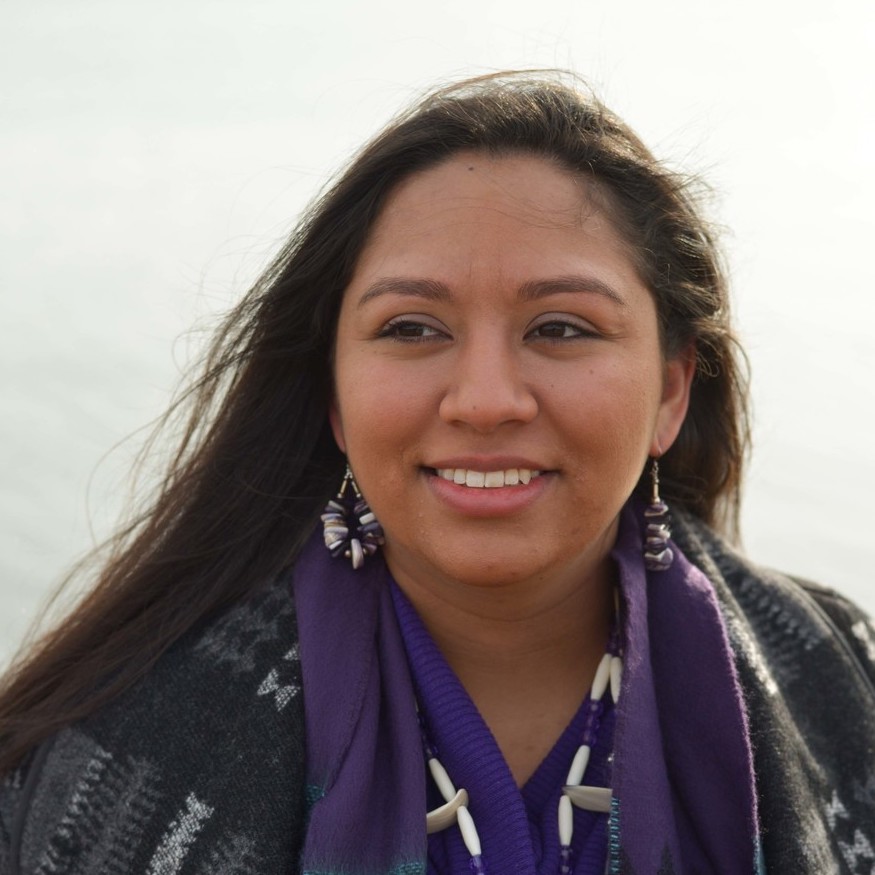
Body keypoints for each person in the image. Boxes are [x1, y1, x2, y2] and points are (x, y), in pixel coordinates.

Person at [1, 72, 873, 875]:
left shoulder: (844, 685)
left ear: (670, 392)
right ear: (334, 396)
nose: (485, 401)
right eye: (411, 329)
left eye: (560, 328)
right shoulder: (109, 747)